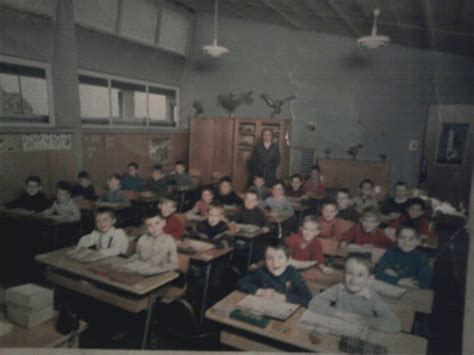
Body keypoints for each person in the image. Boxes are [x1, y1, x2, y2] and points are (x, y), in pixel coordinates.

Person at [308, 252, 401, 332]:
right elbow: (314, 303)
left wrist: (364, 320)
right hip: (337, 331)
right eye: (349, 273)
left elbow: (395, 325)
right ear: (344, 275)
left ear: (369, 279)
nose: (353, 279)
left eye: (360, 275)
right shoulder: (339, 288)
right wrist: (339, 314)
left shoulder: (372, 298)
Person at [237, 239, 312, 306]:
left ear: (288, 261)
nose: (275, 262)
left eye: (280, 257)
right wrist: (260, 291)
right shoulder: (261, 272)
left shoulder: (292, 274)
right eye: (269, 258)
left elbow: (308, 298)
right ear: (265, 261)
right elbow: (241, 282)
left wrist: (283, 298)